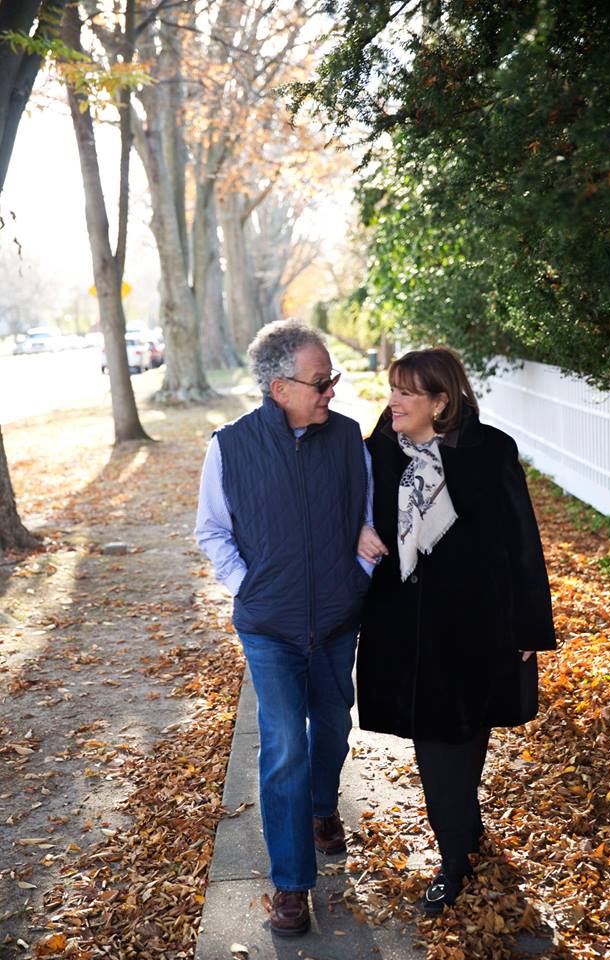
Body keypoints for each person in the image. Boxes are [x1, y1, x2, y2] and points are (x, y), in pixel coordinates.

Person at [356, 347, 556, 914]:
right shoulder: (380, 450)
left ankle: (463, 829)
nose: (392, 401)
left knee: (467, 736)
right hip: (409, 630)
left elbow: (522, 540)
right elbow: (347, 505)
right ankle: (455, 859)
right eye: (391, 389)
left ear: (441, 402)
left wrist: (529, 627)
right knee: (438, 743)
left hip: (479, 625)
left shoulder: (490, 450)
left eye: (406, 393)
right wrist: (357, 533)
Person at [195, 319, 373, 937]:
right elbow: (212, 531)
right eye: (321, 382)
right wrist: (249, 585)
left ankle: (324, 808)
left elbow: (366, 512)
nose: (331, 392)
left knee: (330, 727)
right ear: (279, 388)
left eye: (333, 380)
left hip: (336, 619)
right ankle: (292, 883)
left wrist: (354, 569)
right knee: (283, 747)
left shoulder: (349, 437)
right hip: (268, 626)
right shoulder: (230, 445)